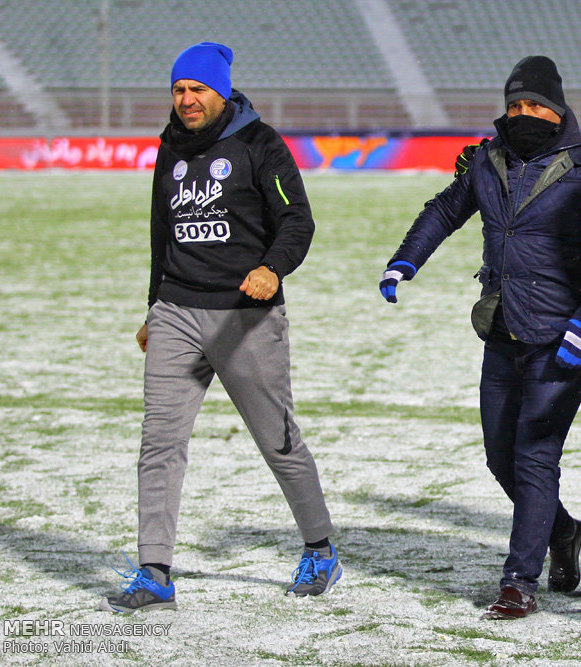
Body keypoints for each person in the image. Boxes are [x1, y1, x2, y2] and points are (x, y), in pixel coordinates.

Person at [380, 55, 581, 619]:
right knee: (501, 457)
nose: (525, 114)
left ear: (559, 108)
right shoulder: (487, 160)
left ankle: (519, 581)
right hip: (502, 329)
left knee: (535, 454)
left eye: (536, 105)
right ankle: (564, 531)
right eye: (515, 105)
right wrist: (405, 261)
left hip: (562, 334)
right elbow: (446, 210)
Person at [100, 42, 340, 613]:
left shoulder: (260, 143)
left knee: (277, 441)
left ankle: (320, 549)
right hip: (177, 313)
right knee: (159, 442)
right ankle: (155, 571)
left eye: (197, 90)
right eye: (179, 90)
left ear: (222, 92)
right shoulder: (169, 148)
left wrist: (270, 268)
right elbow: (163, 233)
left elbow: (297, 222)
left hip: (246, 317)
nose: (186, 100)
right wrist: (153, 306)